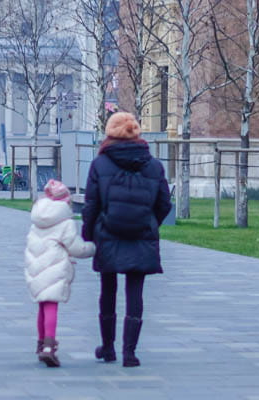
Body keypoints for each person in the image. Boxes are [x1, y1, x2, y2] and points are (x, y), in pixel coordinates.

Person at [81, 111, 171, 368]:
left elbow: (91, 204)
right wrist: (150, 222)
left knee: (107, 290)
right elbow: (164, 203)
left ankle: (108, 348)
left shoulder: (100, 164)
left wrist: (89, 233)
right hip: (142, 234)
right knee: (136, 292)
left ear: (110, 133)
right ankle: (129, 353)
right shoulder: (154, 165)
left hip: (108, 233)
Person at [24, 178, 94, 367]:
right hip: (55, 268)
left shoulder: (36, 221)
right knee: (52, 306)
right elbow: (75, 248)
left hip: (36, 269)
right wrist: (92, 248)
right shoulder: (65, 223)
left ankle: (40, 344)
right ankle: (49, 346)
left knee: (42, 305)